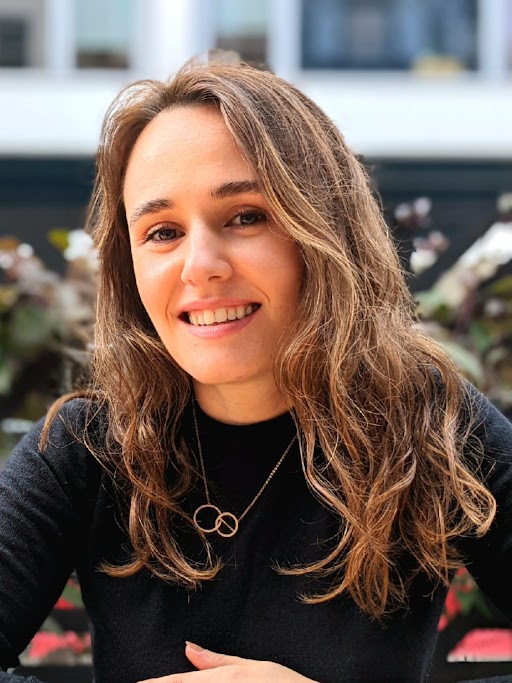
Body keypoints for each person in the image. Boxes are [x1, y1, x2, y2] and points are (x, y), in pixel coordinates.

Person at [0, 56, 511, 683]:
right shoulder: (85, 448)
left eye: (246, 216)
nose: (200, 266)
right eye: (162, 232)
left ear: (323, 231)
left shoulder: (431, 423)